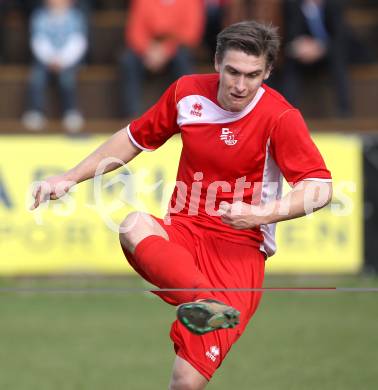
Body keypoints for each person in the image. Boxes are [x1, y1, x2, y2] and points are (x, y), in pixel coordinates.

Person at [31, 21, 332, 389]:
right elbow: (132, 139)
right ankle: (205, 302)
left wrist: (262, 214)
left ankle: (208, 303)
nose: (240, 85)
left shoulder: (280, 117)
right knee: (133, 224)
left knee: (186, 383)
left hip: (240, 250)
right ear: (217, 62)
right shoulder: (187, 93)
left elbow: (320, 187)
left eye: (252, 75)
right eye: (232, 72)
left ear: (267, 72)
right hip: (185, 232)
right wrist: (69, 177)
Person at [119, 0, 204, 118]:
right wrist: (148, 50)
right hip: (149, 50)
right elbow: (135, 32)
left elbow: (191, 34)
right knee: (128, 61)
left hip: (177, 50)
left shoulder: (191, 2)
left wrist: (166, 50)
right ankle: (132, 116)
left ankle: (191, 112)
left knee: (183, 59)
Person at [22, 0, 88, 133]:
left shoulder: (76, 17)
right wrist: (50, 58)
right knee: (37, 78)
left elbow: (78, 42)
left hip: (69, 60)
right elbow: (38, 41)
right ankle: (36, 111)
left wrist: (63, 60)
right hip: (45, 59)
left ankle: (70, 111)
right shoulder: (39, 16)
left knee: (67, 79)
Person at [280, 0, 351, 116]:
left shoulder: (334, 4)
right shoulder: (292, 4)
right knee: (289, 65)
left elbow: (340, 36)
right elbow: (290, 33)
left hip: (327, 51)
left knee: (338, 63)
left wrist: (321, 48)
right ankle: (288, 113)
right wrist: (301, 46)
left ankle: (344, 113)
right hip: (302, 52)